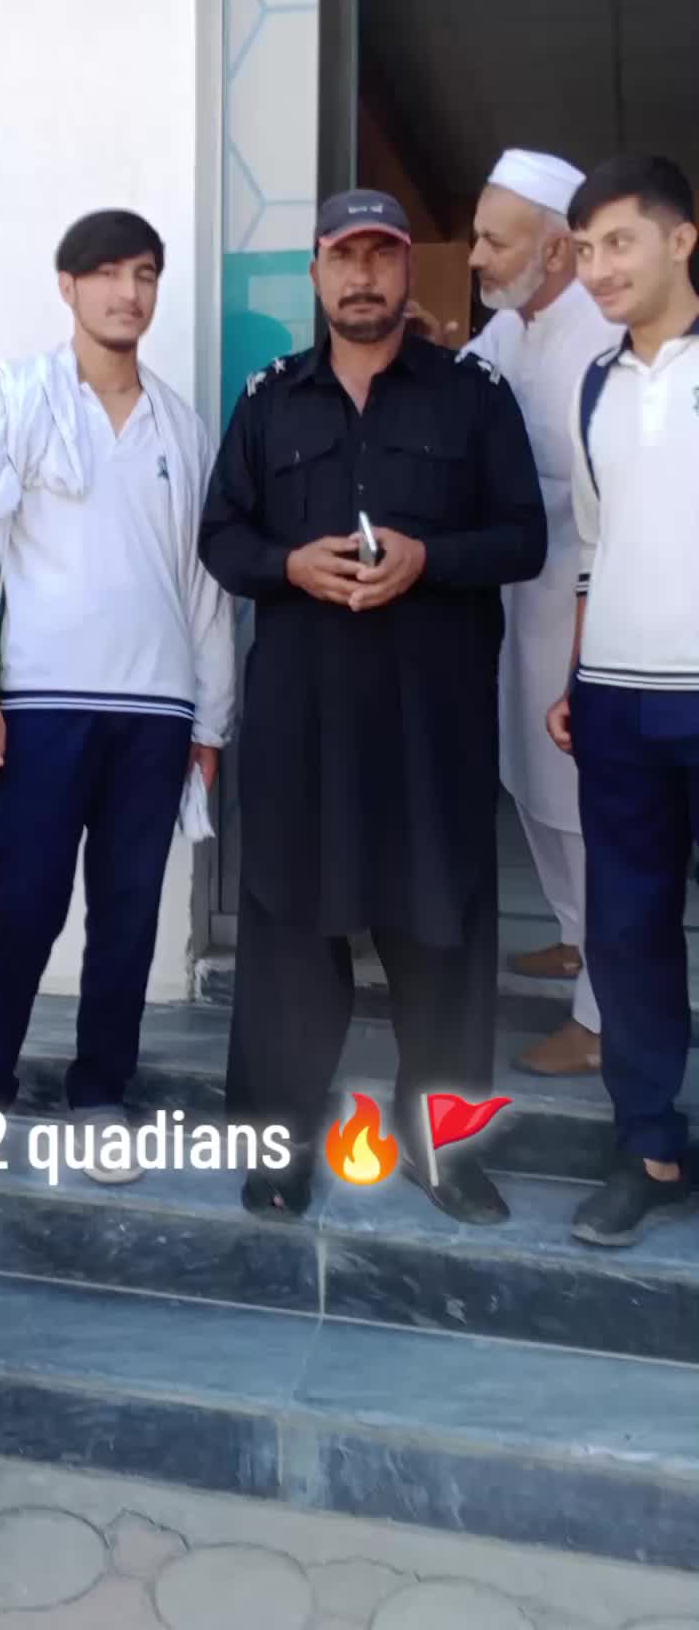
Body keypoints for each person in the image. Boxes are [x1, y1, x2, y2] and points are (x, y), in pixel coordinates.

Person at [200, 189, 547, 1226]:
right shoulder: (270, 403)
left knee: (445, 943)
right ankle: (277, 1148)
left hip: (431, 726)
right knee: (286, 941)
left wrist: (428, 558)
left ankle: (445, 1154)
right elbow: (222, 537)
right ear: (316, 273)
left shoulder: (473, 396)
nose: (362, 276)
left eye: (381, 256)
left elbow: (523, 538)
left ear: (407, 271)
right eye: (343, 257)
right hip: (304, 725)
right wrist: (288, 565)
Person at [0, 209, 234, 1190]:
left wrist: (211, 719)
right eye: (105, 273)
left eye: (144, 274)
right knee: (19, 906)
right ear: (67, 286)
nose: (127, 293)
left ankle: (101, 1097)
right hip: (43, 706)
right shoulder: (19, 395)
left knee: (129, 916)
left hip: (156, 714)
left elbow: (204, 585)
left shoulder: (181, 426)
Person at [548, 154, 699, 1246]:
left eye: (618, 243)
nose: (598, 268)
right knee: (629, 932)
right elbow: (593, 552)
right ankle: (649, 1146)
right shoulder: (592, 386)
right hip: (616, 703)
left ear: (680, 240)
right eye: (585, 248)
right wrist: (575, 675)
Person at [464, 150, 622, 1077]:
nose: (476, 256)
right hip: (522, 606)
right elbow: (466, 384)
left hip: (587, 614)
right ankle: (572, 939)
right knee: (530, 788)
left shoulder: (603, 338)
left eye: (495, 241)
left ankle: (602, 1019)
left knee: (588, 815)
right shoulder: (512, 327)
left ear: (556, 252)